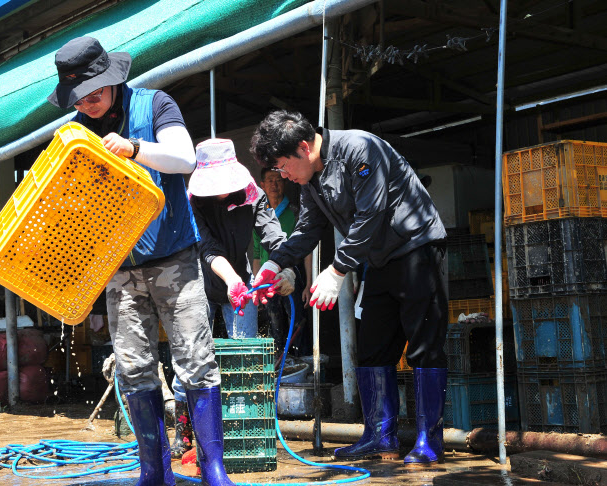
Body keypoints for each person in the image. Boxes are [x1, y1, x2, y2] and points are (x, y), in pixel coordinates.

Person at [47, 36, 235, 486]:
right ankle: (154, 471)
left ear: (113, 81)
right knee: (133, 367)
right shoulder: (75, 134)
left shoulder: (154, 106)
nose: (88, 104)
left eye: (94, 93)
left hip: (174, 255)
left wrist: (134, 148)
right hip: (120, 267)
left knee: (195, 360)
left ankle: (213, 469)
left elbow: (185, 159)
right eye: (79, 98)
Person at [249, 110, 448, 465]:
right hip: (378, 260)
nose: (283, 175)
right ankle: (379, 437)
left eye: (282, 166)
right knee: (372, 347)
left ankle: (428, 442)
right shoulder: (310, 179)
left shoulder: (360, 149)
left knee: (424, 347)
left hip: (417, 249)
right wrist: (273, 262)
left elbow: (371, 214)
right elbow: (308, 229)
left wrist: (337, 270)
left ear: (304, 147)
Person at [169, 138, 295, 458]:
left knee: (245, 358)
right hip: (197, 282)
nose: (220, 191)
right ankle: (184, 433)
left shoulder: (254, 197)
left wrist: (284, 271)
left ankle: (243, 431)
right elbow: (208, 249)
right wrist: (233, 280)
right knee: (192, 358)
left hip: (240, 280)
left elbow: (274, 239)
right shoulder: (193, 203)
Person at [253, 168, 312, 356]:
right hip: (267, 278)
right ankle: (281, 365)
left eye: (278, 180)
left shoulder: (295, 212)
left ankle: (302, 362)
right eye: (269, 180)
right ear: (262, 186)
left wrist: (308, 283)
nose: (274, 184)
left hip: (291, 275)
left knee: (297, 321)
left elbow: (307, 250)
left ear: (285, 182)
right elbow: (256, 254)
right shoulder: (258, 215)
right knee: (274, 322)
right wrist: (257, 284)